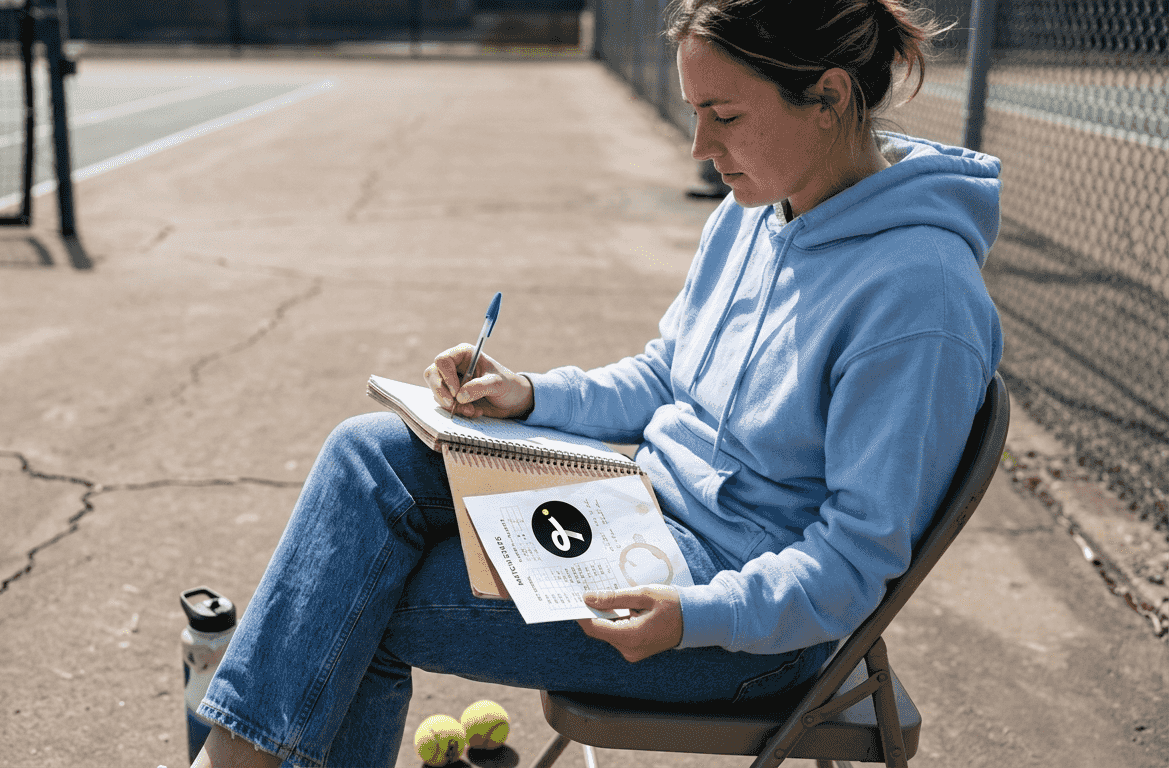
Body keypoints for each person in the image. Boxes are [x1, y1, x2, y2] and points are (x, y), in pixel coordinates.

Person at [192, 0, 1002, 765]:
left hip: (735, 630)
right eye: (695, 112)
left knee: (354, 606)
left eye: (724, 115)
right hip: (635, 515)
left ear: (827, 96)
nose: (699, 147)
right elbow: (665, 375)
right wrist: (531, 395)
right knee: (367, 452)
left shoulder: (918, 299)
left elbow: (855, 561)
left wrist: (694, 617)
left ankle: (229, 758)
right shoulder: (763, 208)